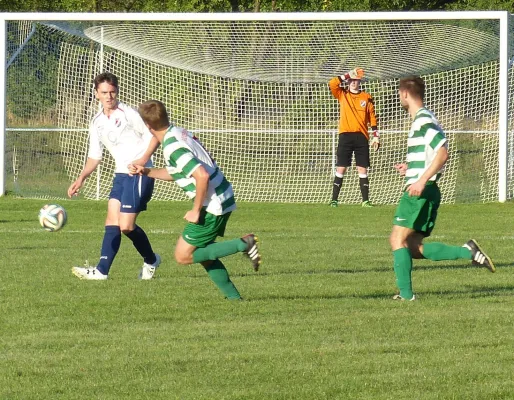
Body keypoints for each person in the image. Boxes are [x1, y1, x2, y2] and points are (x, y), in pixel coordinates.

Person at [129, 99, 261, 300]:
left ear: (148, 126)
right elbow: (178, 172)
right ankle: (235, 299)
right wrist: (146, 171)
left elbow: (201, 175)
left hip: (212, 204)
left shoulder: (173, 147)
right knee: (203, 253)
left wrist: (196, 210)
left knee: (183, 256)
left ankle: (244, 244)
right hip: (222, 195)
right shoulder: (178, 133)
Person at [390, 76, 495, 301]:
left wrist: (419, 180)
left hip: (421, 190)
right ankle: (468, 251)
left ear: (405, 93)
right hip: (426, 187)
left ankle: (406, 296)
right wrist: (410, 169)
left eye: (400, 93)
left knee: (396, 239)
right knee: (413, 247)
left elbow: (442, 152)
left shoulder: (422, 119)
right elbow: (433, 153)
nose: (400, 97)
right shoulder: (426, 118)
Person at [68, 72, 161, 281]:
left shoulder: (129, 114)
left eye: (112, 92)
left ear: (117, 91)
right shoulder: (97, 121)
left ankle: (152, 260)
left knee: (126, 226)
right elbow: (94, 156)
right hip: (120, 175)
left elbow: (154, 135)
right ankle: (101, 271)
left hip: (139, 173)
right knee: (112, 219)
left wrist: (142, 161)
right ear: (96, 94)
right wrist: (81, 178)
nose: (109, 96)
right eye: (104, 92)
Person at [328, 67, 380, 208]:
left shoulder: (366, 97)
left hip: (361, 136)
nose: (353, 82)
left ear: (360, 82)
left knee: (362, 169)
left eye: (355, 80)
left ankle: (365, 201)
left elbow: (372, 118)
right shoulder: (342, 94)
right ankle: (334, 200)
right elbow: (332, 83)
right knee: (341, 168)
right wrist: (346, 75)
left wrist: (376, 136)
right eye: (351, 80)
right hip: (345, 135)